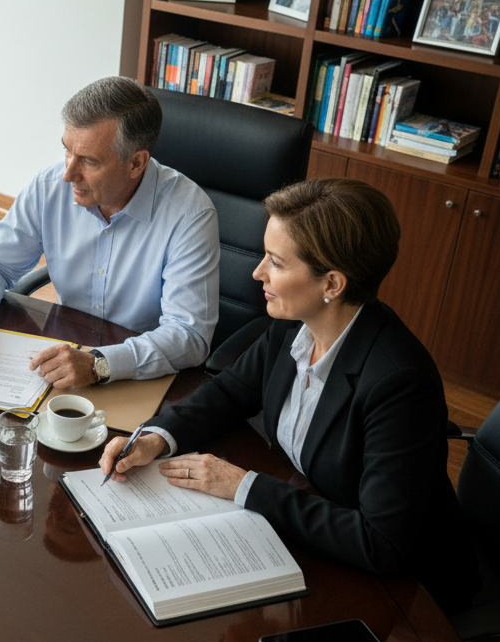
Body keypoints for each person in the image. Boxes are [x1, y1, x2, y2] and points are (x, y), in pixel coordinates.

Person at [99, 178, 480, 612]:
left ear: (332, 284)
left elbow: (381, 543)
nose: (257, 272)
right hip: (309, 523)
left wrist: (243, 485)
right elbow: (231, 391)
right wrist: (157, 437)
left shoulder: (399, 384)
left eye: (276, 262)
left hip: (406, 596)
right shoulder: (293, 323)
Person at [0, 77, 219, 388]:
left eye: (89, 161)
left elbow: (189, 336)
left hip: (139, 370)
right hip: (63, 351)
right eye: (67, 151)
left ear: (137, 162)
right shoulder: (49, 185)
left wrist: (100, 364)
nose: (68, 173)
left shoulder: (190, 215)